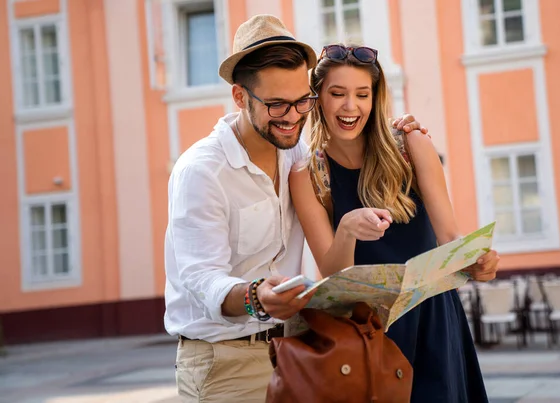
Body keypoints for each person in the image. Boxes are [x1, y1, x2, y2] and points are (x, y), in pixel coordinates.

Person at [163, 16, 425, 402]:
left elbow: (350, 137)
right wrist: (255, 296)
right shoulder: (202, 170)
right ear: (239, 97)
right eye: (276, 104)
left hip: (297, 350)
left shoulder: (298, 155)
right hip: (224, 364)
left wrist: (395, 130)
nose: (292, 116)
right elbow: (201, 278)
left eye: (303, 100)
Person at [289, 44, 500, 402]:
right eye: (337, 93)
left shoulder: (412, 145)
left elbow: (450, 237)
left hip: (432, 317)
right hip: (367, 330)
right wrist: (347, 230)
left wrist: (479, 262)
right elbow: (332, 272)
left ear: (376, 97)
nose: (350, 106)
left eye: (362, 94)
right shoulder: (306, 174)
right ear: (318, 98)